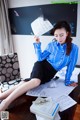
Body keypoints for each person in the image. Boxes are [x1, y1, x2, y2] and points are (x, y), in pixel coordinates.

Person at [0, 21, 78, 112]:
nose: (58, 38)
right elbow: (40, 58)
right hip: (42, 65)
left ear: (67, 33)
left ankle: (1, 96)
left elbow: (71, 66)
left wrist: (67, 81)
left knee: (26, 83)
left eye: (61, 35)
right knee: (35, 82)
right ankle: (5, 102)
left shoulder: (74, 48)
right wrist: (37, 44)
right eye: (56, 35)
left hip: (50, 73)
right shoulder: (52, 45)